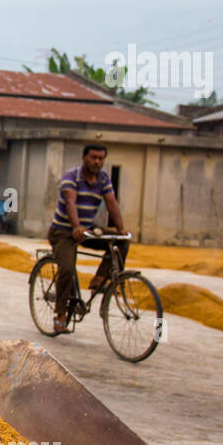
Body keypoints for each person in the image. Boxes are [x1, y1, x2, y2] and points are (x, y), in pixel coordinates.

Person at [48, 143, 129, 334]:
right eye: (93, 157)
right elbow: (70, 202)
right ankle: (60, 316)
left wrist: (121, 229)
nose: (97, 162)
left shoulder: (103, 178)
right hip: (63, 231)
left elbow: (112, 204)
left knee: (122, 241)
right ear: (84, 157)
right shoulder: (71, 176)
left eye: (101, 159)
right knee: (67, 269)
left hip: (88, 230)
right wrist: (76, 227)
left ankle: (99, 279)